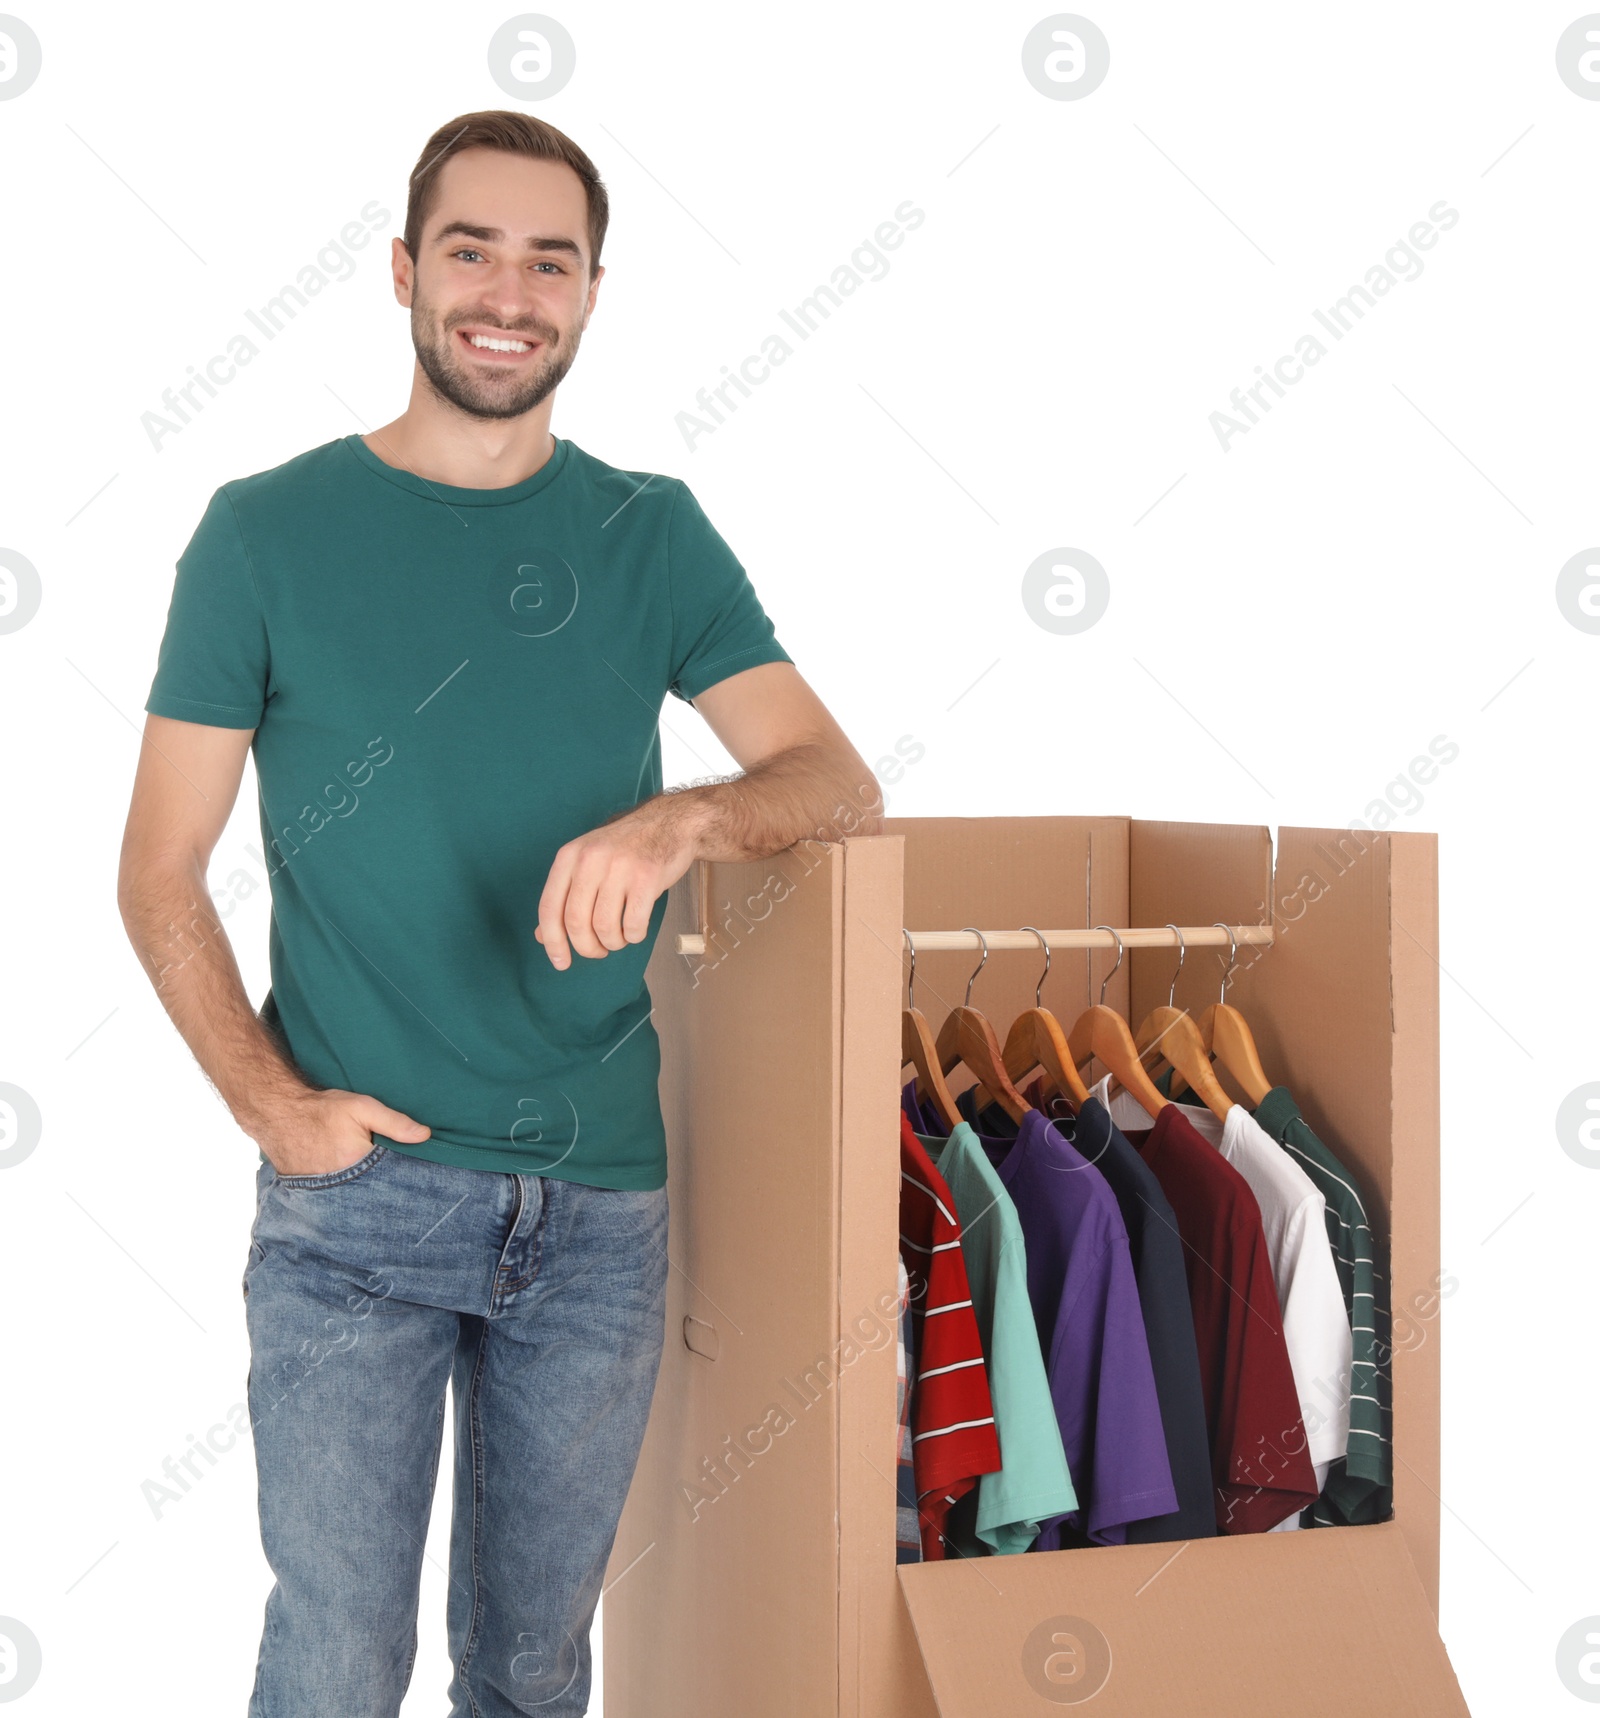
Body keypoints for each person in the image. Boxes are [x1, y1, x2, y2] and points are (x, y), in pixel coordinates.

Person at [116, 109, 881, 1718]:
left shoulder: (649, 534)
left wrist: (688, 815)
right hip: (360, 1206)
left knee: (534, 1673)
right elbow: (158, 870)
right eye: (472, 248)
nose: (508, 290)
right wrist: (273, 1108)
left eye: (552, 260)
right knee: (334, 1667)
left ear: (593, 294)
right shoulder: (262, 535)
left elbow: (832, 777)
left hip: (600, 1210)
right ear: (405, 272)